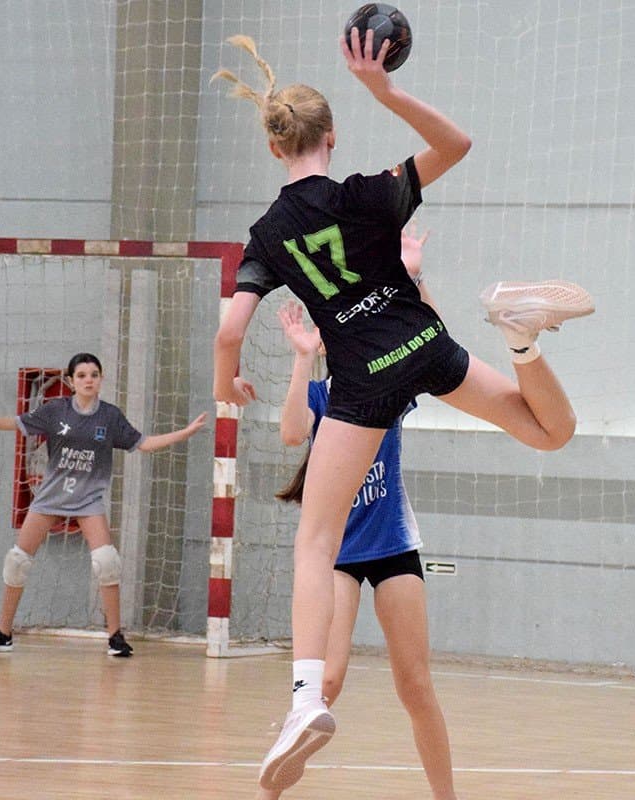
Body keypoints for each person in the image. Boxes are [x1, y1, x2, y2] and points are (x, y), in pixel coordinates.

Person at [211, 30, 593, 794]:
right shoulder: (368, 192)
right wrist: (384, 91)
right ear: (331, 136)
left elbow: (228, 328)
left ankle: (301, 702)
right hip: (422, 341)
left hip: (360, 383)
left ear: (274, 145)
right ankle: (518, 337)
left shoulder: (267, 235)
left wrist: (228, 381)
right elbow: (458, 142)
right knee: (552, 433)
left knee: (315, 540)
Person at [270, 228, 456, 800]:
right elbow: (291, 432)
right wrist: (303, 360)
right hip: (340, 554)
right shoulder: (326, 397)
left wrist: (415, 272)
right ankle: (270, 787)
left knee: (415, 685)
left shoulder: (386, 386)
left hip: (394, 545)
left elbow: (436, 339)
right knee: (326, 680)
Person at [0, 352, 207, 657]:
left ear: (101, 379)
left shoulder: (110, 416)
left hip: (88, 500)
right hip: (50, 498)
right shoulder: (55, 410)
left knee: (106, 562)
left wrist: (186, 432)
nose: (89, 380)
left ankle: (115, 636)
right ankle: (3, 632)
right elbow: (17, 422)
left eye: (94, 374)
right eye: (82, 375)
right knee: (17, 561)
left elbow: (144, 444)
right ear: (71, 381)